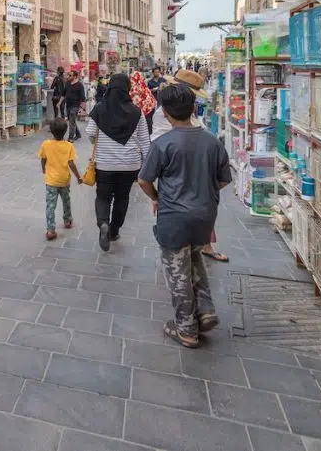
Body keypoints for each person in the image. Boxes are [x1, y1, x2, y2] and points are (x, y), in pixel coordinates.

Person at [137, 84, 231, 348]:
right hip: (204, 215)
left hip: (174, 216)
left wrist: (157, 197)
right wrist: (203, 191)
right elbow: (224, 179)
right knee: (194, 256)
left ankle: (187, 329)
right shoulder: (212, 141)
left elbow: (144, 180)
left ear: (164, 113)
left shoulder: (163, 144)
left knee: (177, 271)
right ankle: (205, 308)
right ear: (193, 109)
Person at [150, 69, 228, 262]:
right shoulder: (167, 112)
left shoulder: (184, 109)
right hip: (175, 162)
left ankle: (203, 245)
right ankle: (185, 247)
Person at [86, 74, 150, 252]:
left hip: (105, 164)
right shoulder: (137, 112)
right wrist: (146, 166)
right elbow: (145, 141)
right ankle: (114, 231)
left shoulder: (99, 109)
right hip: (130, 165)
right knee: (122, 198)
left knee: (103, 196)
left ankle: (103, 223)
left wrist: (100, 145)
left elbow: (90, 132)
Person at [39, 118, 81, 241]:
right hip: (64, 180)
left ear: (51, 131)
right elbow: (71, 164)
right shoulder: (69, 146)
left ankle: (51, 230)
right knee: (66, 200)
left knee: (50, 205)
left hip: (51, 181)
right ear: (66, 131)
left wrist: (44, 170)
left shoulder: (46, 144)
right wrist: (78, 177)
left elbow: (43, 159)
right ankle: (68, 221)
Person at [129, 71, 157, 135]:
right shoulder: (146, 90)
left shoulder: (129, 91)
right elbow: (153, 106)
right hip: (147, 122)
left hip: (133, 124)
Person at [63, 71, 85, 141]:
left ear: (75, 76)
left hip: (76, 105)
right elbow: (63, 94)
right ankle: (78, 134)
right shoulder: (67, 83)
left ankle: (70, 137)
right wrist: (59, 103)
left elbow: (82, 97)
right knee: (71, 121)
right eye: (68, 75)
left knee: (71, 120)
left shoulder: (79, 85)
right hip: (68, 105)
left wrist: (82, 108)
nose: (68, 76)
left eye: (70, 75)